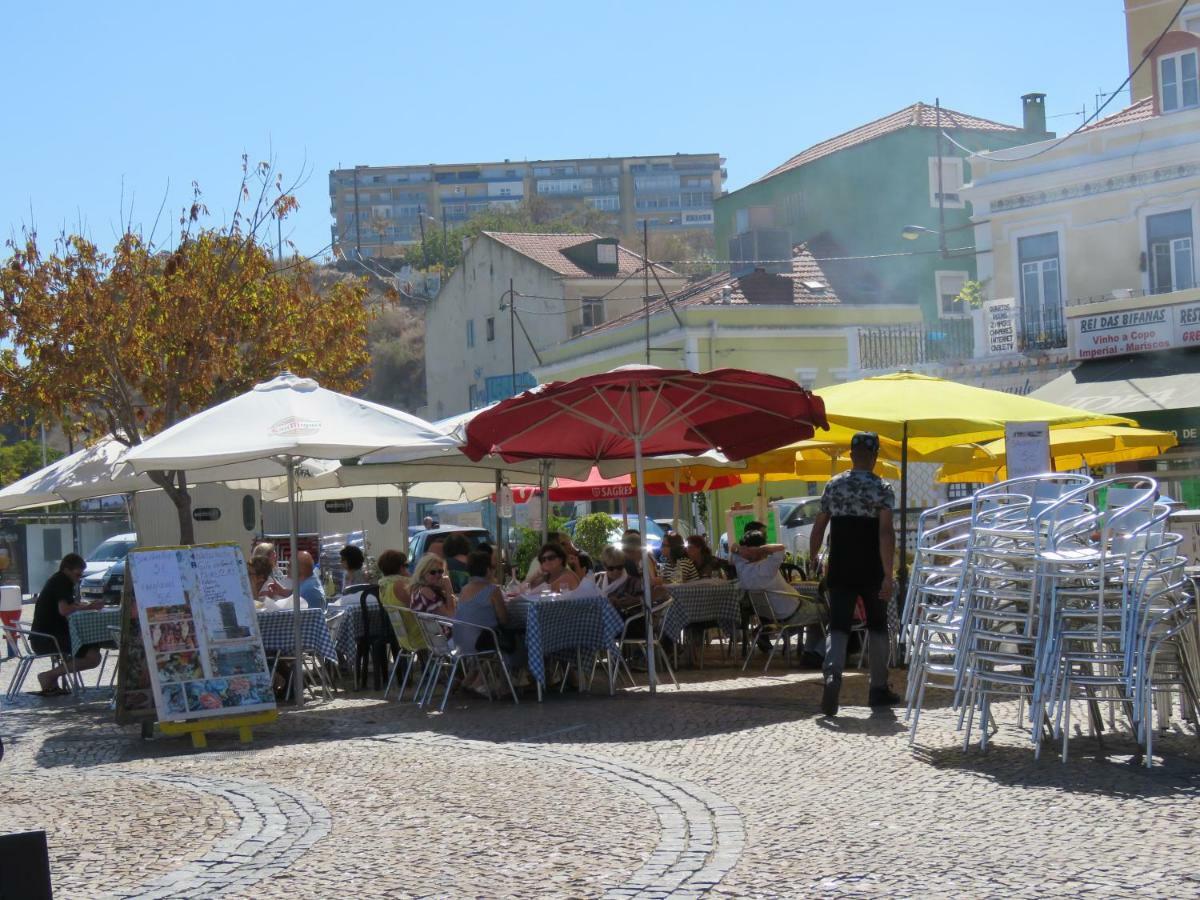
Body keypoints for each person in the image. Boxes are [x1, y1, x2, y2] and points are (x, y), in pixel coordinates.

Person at [809, 431, 899, 716]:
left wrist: (813, 557)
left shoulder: (834, 486)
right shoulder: (882, 488)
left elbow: (819, 526)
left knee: (838, 625)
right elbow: (885, 532)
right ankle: (878, 688)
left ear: (851, 454)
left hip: (841, 565)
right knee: (876, 626)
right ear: (874, 457)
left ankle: (833, 675)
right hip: (871, 566)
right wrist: (888, 573)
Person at [733, 531, 824, 662]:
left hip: (774, 617)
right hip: (793, 613)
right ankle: (818, 652)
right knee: (830, 613)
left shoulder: (741, 567)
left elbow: (733, 548)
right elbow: (780, 548)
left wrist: (741, 550)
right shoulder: (767, 567)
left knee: (816, 612)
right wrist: (758, 550)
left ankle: (810, 650)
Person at [31, 553, 103, 696]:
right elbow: (64, 610)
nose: (79, 578)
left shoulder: (57, 580)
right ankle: (49, 676)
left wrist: (80, 606)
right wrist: (90, 607)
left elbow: (66, 607)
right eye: (78, 574)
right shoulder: (62, 582)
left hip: (44, 636)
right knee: (93, 657)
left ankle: (51, 678)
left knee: (91, 647)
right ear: (67, 570)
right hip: (48, 639)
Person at [452, 550, 523, 683]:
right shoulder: (492, 590)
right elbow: (504, 619)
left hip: (460, 642)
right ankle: (519, 681)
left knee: (491, 640)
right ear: (487, 570)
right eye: (493, 567)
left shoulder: (464, 589)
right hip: (479, 643)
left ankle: (470, 682)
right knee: (518, 638)